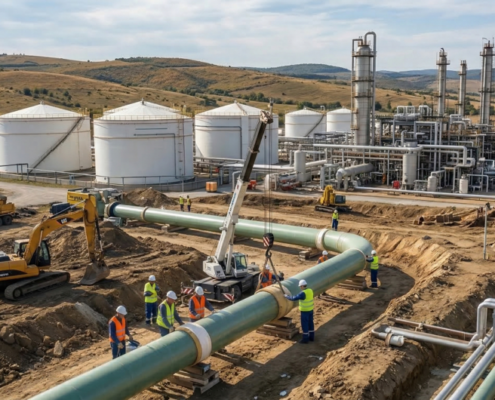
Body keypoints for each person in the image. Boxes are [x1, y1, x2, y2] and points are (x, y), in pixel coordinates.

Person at [284, 280, 314, 344]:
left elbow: (294, 298)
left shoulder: (303, 293)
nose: (300, 287)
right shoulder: (310, 290)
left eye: (300, 286)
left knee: (305, 325)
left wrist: (286, 296)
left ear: (302, 286)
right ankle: (312, 337)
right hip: (310, 310)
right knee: (310, 323)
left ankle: (305, 339)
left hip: (305, 311)